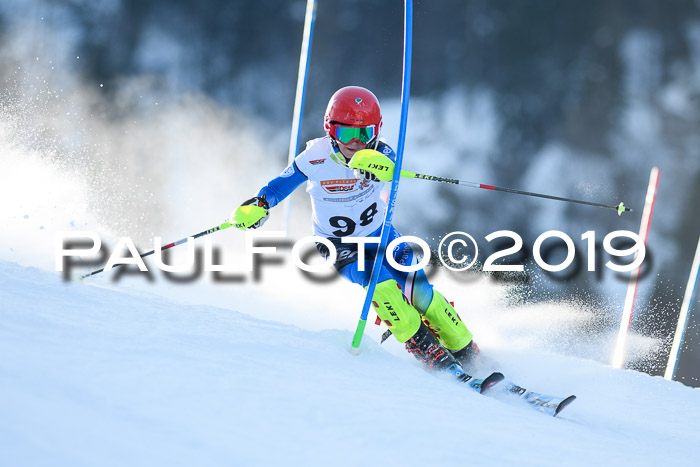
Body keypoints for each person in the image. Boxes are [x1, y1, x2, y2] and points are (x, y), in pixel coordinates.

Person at [233, 86, 481, 381]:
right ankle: (426, 349)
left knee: (422, 292)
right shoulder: (315, 156)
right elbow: (278, 187)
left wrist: (379, 168)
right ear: (330, 129)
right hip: (339, 245)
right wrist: (260, 204)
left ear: (376, 131)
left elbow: (390, 162)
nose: (355, 143)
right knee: (382, 287)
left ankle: (467, 350)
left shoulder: (381, 151)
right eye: (346, 133)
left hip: (381, 234)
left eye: (363, 134)